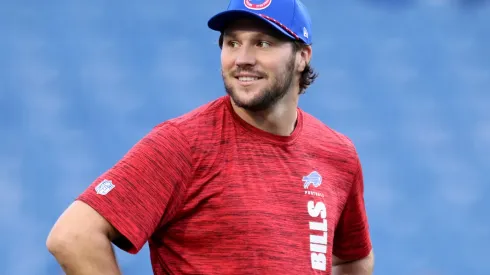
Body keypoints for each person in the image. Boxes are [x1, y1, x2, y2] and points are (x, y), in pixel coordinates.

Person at [46, 0, 374, 274]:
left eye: (262, 43)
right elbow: (74, 236)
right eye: (232, 42)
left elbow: (353, 257)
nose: (243, 58)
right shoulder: (183, 143)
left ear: (303, 56)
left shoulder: (337, 154)